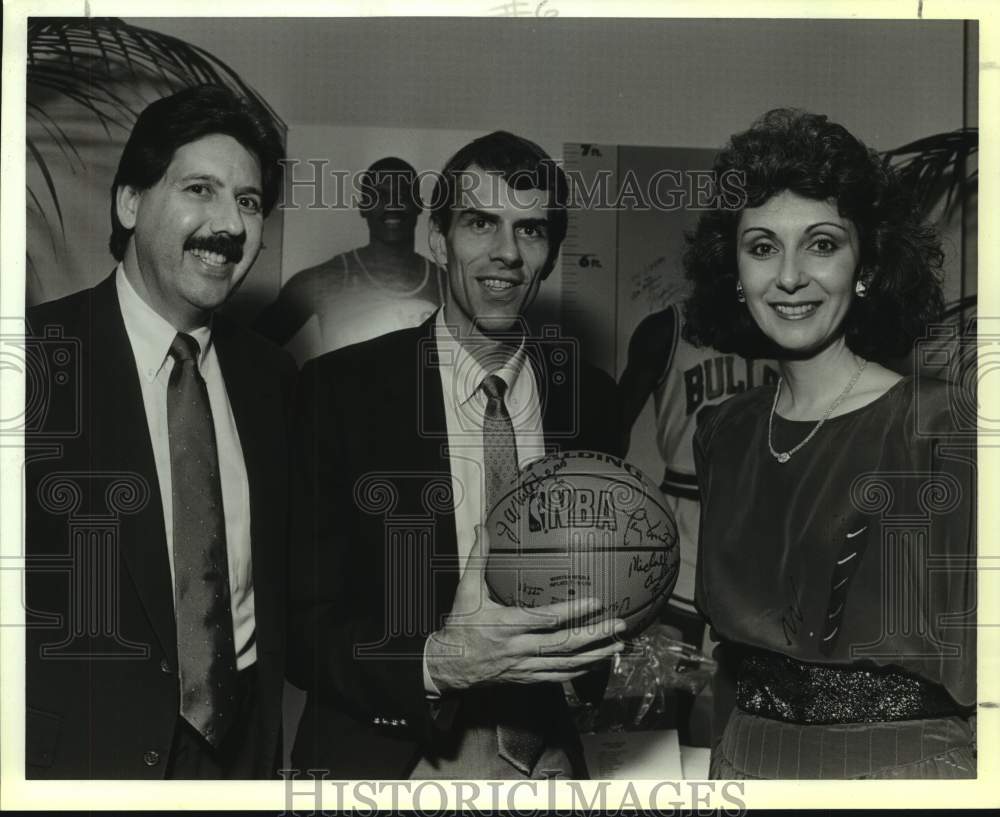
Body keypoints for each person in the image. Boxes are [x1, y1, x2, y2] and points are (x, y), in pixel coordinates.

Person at [287, 131, 626, 779]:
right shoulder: (339, 393)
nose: (507, 252)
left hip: (551, 757)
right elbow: (301, 625)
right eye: (480, 223)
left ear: (551, 253)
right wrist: (439, 663)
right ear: (438, 240)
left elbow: (604, 582)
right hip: (394, 761)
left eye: (530, 230)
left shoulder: (591, 398)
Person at [684, 108, 976, 779]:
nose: (790, 277)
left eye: (821, 244)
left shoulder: (940, 425)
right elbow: (727, 660)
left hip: (901, 769)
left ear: (864, 263)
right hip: (744, 761)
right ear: (734, 272)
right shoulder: (723, 432)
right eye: (762, 248)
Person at [24, 85, 294, 779]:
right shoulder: (32, 360)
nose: (229, 224)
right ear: (130, 202)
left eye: (249, 201)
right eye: (200, 189)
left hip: (238, 761)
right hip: (78, 762)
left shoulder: (272, 377)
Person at [619, 267, 778, 632]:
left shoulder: (792, 326)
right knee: (674, 660)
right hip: (686, 515)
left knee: (758, 662)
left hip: (769, 518)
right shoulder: (666, 330)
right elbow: (612, 434)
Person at [254, 157, 445, 359]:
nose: (392, 205)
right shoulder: (323, 280)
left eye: (403, 195)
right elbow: (249, 351)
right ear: (363, 206)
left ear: (419, 205)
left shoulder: (445, 284)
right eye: (380, 196)